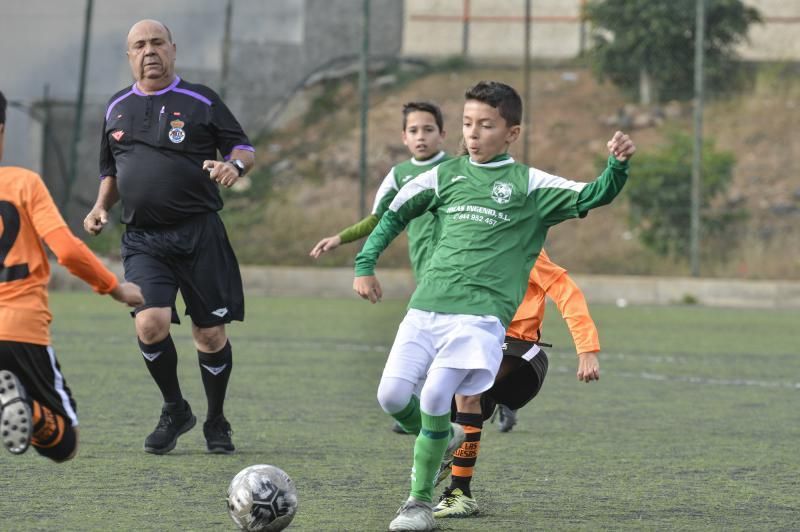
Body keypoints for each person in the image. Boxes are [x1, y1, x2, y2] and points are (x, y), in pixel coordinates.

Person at [353, 80, 635, 531]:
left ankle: (418, 503)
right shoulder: (444, 176)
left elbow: (591, 194)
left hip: (479, 319)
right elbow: (394, 213)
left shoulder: (529, 184)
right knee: (390, 397)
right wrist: (365, 263)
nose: (473, 133)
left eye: (486, 125)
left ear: (512, 133)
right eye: (467, 124)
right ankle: (446, 441)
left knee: (434, 396)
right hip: (426, 308)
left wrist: (616, 167)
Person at [82, 20, 255, 455]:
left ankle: (216, 420)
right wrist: (101, 206)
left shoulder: (200, 99)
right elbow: (111, 171)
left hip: (199, 234)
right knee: (149, 321)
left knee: (209, 334)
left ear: (173, 49)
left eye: (157, 42)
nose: (149, 51)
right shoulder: (115, 107)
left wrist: (234, 167)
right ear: (129, 56)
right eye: (139, 45)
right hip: (143, 239)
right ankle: (175, 408)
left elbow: (242, 147)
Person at [0, 90, 144, 462]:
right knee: (64, 445)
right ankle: (28, 411)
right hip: (20, 327)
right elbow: (65, 249)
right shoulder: (22, 183)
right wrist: (114, 287)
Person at [433, 248, 601, 518]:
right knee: (443, 395)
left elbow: (566, 291)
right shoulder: (470, 237)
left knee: (468, 391)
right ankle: (450, 452)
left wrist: (587, 349)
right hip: (477, 337)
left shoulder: (526, 246)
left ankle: (459, 491)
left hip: (518, 347)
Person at [310, 100, 450, 283]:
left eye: (428, 130)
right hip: (422, 263)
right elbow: (377, 219)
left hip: (453, 260)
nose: (421, 137)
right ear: (404, 137)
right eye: (413, 131)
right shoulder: (398, 175)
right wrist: (340, 238)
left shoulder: (455, 169)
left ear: (442, 135)